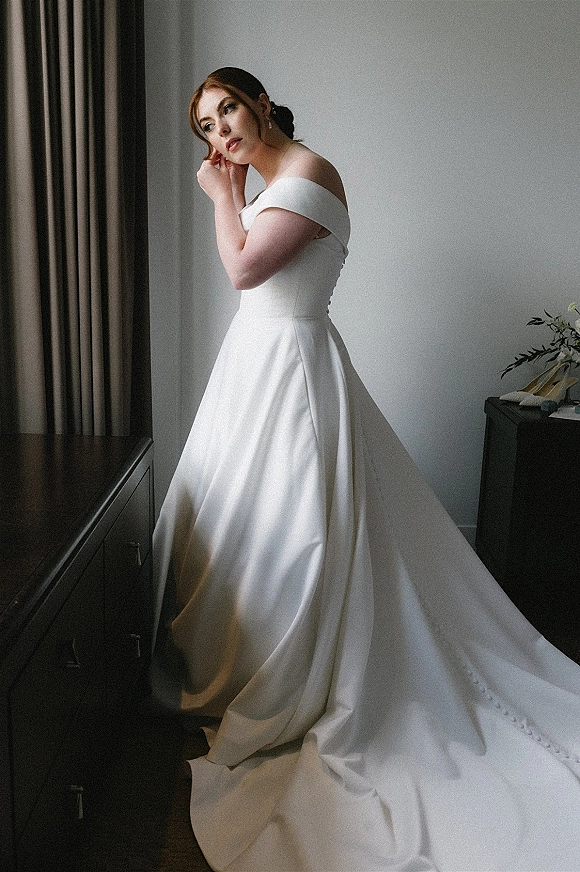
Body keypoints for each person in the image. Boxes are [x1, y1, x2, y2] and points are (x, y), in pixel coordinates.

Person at [152, 68, 580, 872]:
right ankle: (241, 670)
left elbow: (244, 269)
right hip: (257, 364)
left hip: (293, 365)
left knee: (295, 532)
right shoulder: (273, 178)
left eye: (229, 112)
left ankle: (290, 682)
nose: (221, 136)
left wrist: (220, 197)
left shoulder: (310, 173)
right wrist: (235, 191)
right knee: (243, 529)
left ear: (263, 102)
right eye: (207, 128)